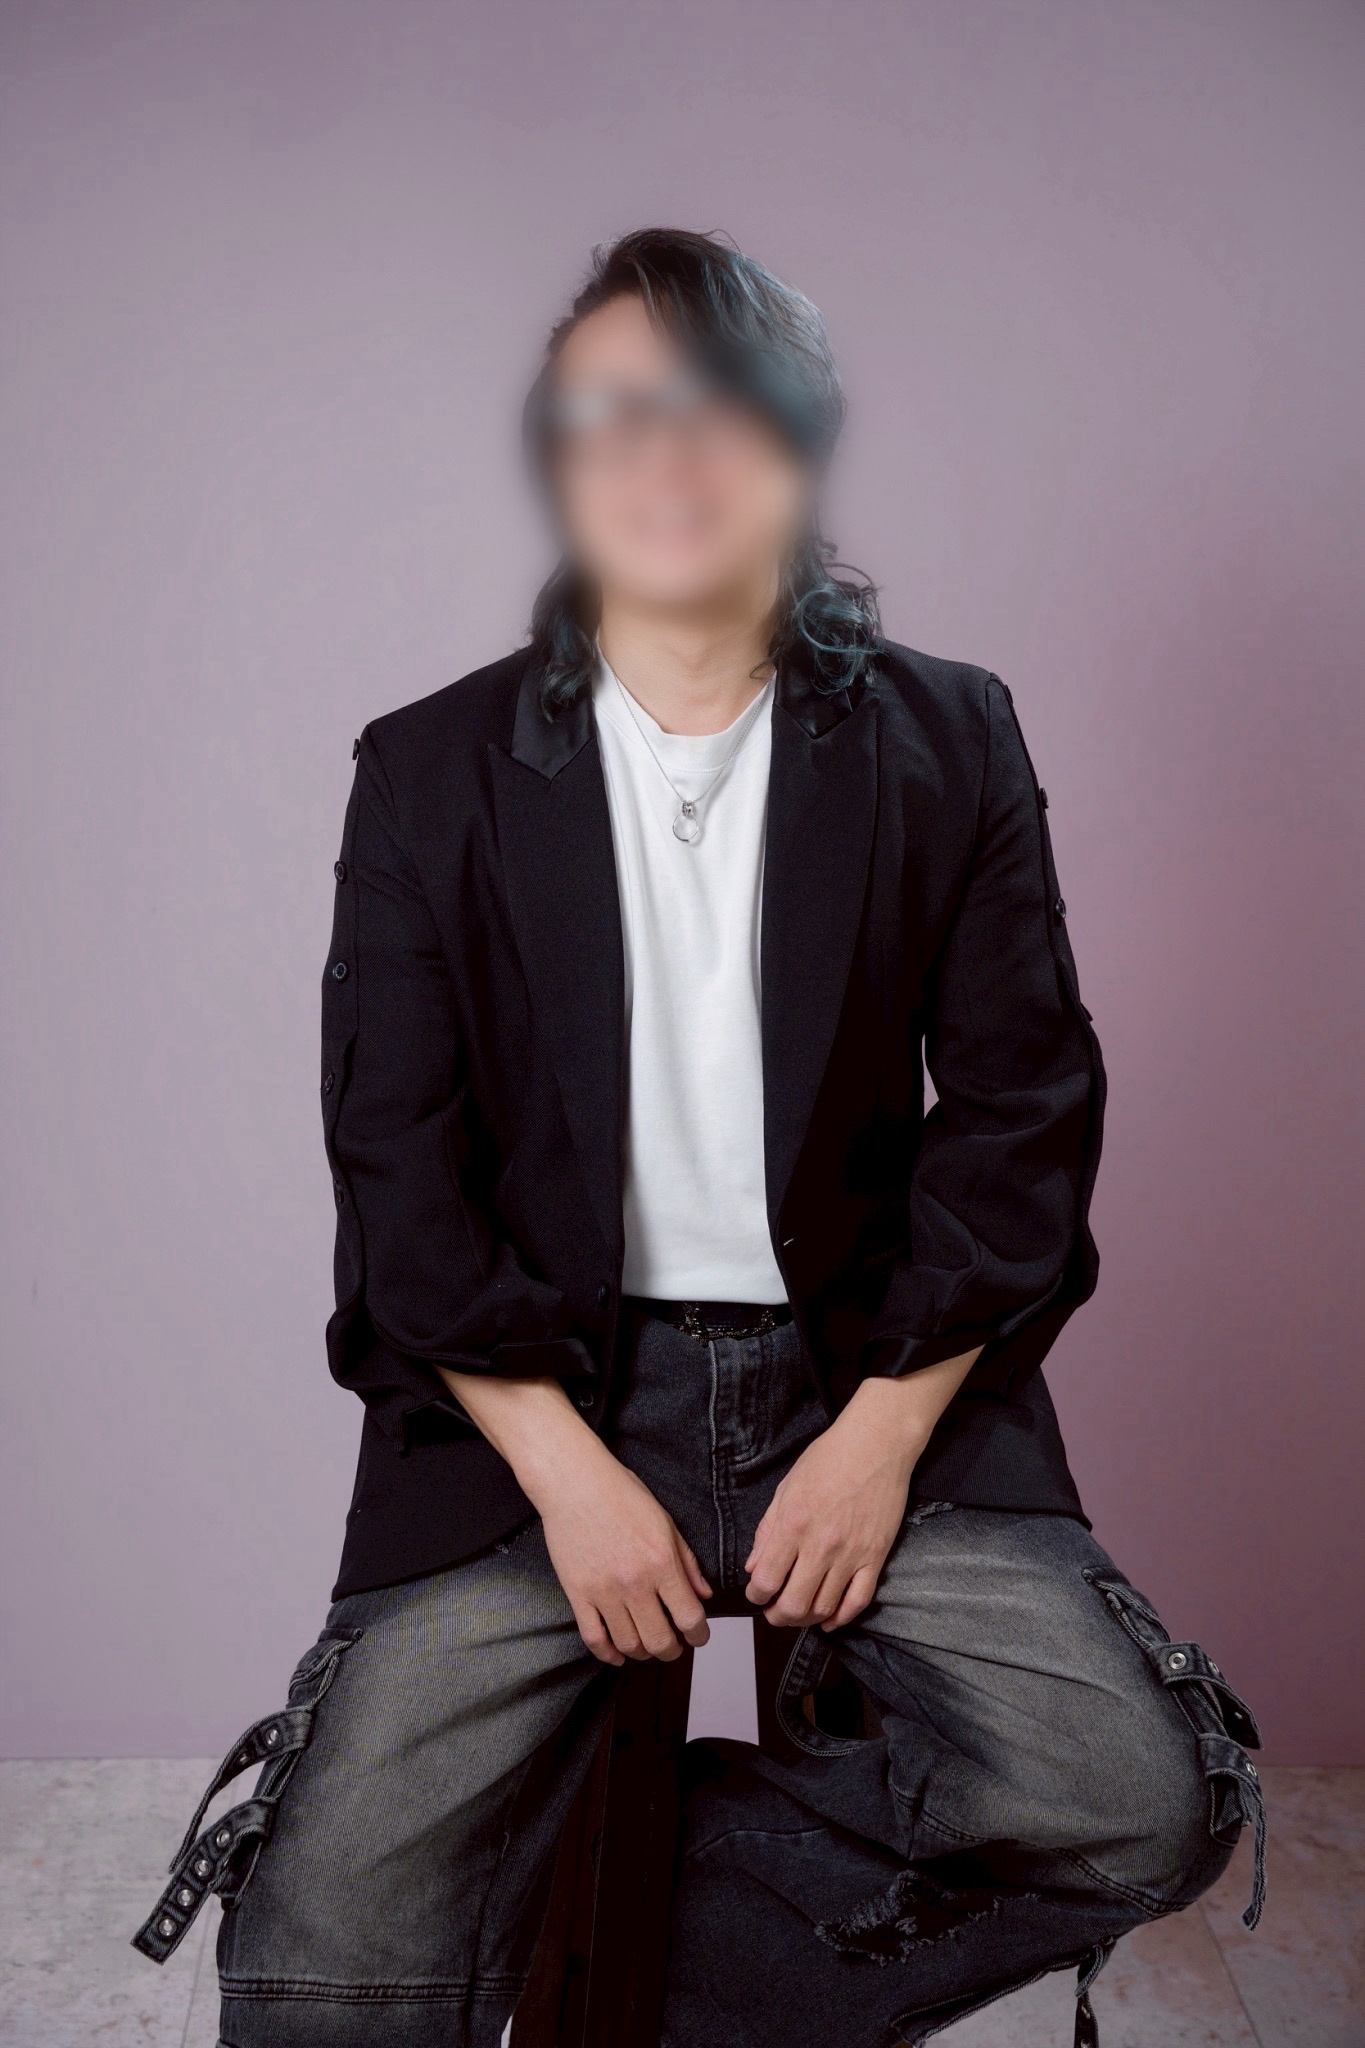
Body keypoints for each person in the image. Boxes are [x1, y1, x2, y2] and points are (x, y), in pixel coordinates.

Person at [135, 228, 1264, 2048]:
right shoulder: (427, 771)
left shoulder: (947, 738)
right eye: (610, 409)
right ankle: (536, 1880)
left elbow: (1023, 1115)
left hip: (865, 1376)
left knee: (1136, 1796)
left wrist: (880, 1436)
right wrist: (569, 1476)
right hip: (533, 1410)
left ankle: (657, 1934)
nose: (663, 453)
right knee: (324, 1977)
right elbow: (396, 1168)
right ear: (558, 453)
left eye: (716, 404)